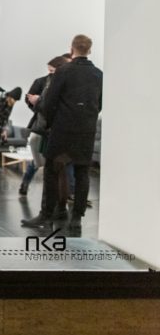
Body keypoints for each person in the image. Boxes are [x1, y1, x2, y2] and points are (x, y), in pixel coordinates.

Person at [22, 35, 102, 232]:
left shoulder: (63, 71)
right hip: (86, 131)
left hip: (62, 130)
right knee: (82, 173)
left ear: (72, 49)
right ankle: (76, 219)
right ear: (90, 50)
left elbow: (50, 102)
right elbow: (99, 103)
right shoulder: (99, 74)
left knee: (51, 171)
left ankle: (47, 215)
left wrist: (49, 120)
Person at [18, 56, 67, 197]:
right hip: (42, 126)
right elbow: (30, 100)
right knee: (37, 161)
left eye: (52, 70)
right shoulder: (41, 82)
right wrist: (38, 106)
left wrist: (39, 103)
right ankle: (25, 184)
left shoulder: (62, 82)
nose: (50, 73)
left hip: (55, 127)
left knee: (57, 163)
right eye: (49, 70)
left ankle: (63, 194)